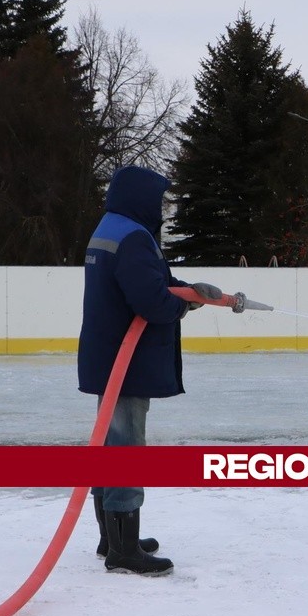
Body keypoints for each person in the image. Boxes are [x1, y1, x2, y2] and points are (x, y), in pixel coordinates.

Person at [78, 164, 231, 576]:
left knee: (109, 446)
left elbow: (152, 280)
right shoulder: (133, 237)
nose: (161, 208)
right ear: (142, 196)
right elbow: (151, 300)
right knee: (125, 449)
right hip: (124, 365)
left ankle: (111, 537)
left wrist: (191, 290)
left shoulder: (112, 227)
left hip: (108, 359)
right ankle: (124, 550)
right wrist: (185, 305)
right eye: (159, 199)